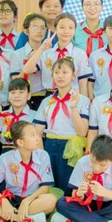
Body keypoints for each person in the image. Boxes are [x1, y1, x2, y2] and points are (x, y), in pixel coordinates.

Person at [0, 121, 56, 222]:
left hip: (32, 201)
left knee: (51, 200)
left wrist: (27, 201)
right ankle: (21, 218)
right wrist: (3, 201)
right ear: (20, 142)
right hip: (10, 200)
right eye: (32, 135)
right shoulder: (6, 158)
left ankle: (3, 216)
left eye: (36, 134)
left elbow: (45, 188)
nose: (38, 138)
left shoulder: (43, 155)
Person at [52, 134, 112, 222]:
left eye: (102, 165)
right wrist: (79, 193)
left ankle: (79, 220)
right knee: (62, 203)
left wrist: (105, 192)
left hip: (109, 204)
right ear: (90, 153)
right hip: (87, 204)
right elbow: (74, 193)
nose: (96, 168)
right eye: (93, 162)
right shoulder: (83, 162)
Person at [34, 60, 89, 194]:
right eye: (57, 72)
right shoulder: (46, 101)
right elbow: (37, 132)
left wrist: (73, 107)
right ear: (52, 75)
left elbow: (83, 132)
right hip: (50, 145)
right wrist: (42, 155)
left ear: (74, 75)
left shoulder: (82, 100)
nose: (60, 76)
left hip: (71, 147)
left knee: (69, 185)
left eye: (65, 72)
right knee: (50, 184)